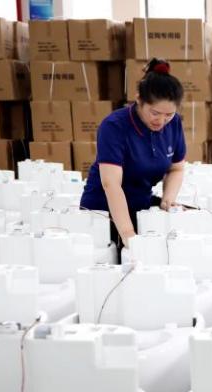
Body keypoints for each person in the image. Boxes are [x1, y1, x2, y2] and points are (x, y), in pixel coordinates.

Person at [79, 58, 186, 249]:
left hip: (140, 208)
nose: (161, 121)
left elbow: (176, 168)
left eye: (168, 115)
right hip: (104, 212)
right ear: (139, 99)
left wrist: (167, 200)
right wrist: (129, 235)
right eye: (155, 113)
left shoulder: (175, 124)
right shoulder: (114, 126)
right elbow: (110, 184)